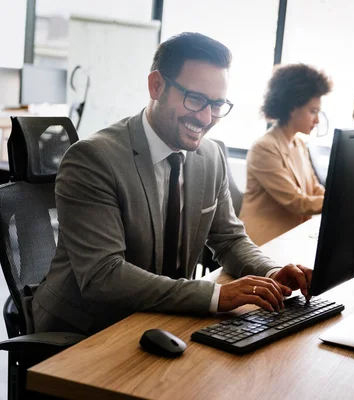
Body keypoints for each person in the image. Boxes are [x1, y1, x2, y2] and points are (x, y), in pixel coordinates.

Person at [31, 32, 312, 335]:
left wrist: (270, 272)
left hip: (162, 318)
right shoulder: (93, 159)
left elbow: (229, 240)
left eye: (217, 104)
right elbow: (104, 276)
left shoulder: (210, 155)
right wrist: (216, 296)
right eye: (195, 100)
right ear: (156, 86)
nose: (206, 118)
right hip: (84, 328)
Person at [239, 64, 332, 246]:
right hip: (263, 241)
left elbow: (314, 189)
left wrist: (335, 196)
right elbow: (296, 202)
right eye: (312, 111)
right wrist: (338, 203)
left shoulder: (298, 144)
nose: (317, 120)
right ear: (292, 108)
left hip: (293, 234)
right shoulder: (264, 148)